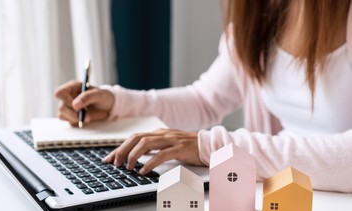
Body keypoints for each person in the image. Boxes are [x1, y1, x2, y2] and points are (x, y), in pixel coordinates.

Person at [55, 0, 352, 192]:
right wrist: (117, 103)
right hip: (291, 197)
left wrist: (213, 147)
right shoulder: (261, 17)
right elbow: (205, 100)